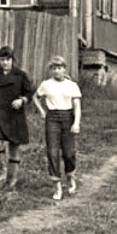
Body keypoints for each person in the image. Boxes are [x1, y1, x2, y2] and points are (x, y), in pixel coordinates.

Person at [0, 46, 36, 189]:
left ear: (12, 60)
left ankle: (12, 179)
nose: (5, 63)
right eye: (2, 60)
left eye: (7, 59)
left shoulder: (20, 75)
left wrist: (22, 101)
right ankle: (3, 170)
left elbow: (29, 94)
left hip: (15, 114)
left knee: (14, 146)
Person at [34, 55, 83, 201]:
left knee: (68, 153)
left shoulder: (72, 85)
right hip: (52, 119)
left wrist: (76, 123)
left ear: (64, 69)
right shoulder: (46, 84)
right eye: (54, 68)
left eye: (60, 68)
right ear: (51, 70)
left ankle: (70, 177)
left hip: (68, 118)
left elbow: (77, 106)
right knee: (52, 152)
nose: (57, 71)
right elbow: (35, 97)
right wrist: (42, 111)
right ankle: (57, 186)